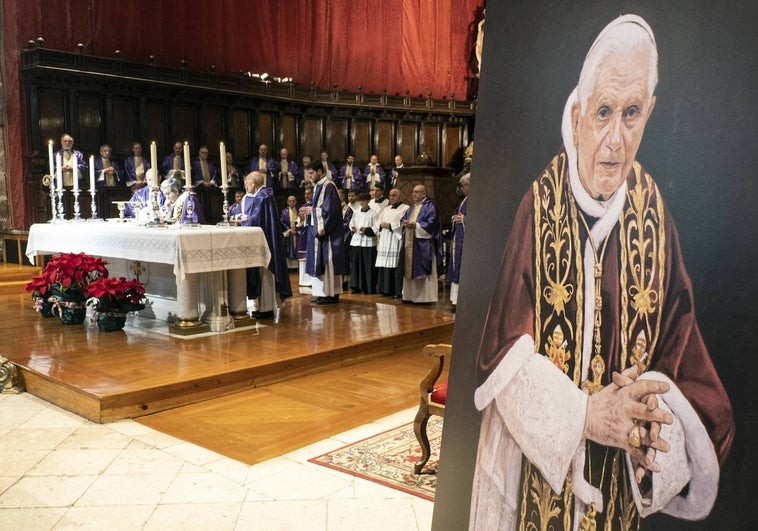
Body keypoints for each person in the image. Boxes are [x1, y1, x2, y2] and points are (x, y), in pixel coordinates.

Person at [468, 15, 734, 531]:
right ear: (576, 114)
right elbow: (500, 356)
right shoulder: (539, 205)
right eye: (604, 112)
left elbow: (688, 369)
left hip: (616, 497)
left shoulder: (654, 214)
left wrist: (653, 428)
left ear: (650, 113)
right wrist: (585, 416)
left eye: (631, 113)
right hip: (537, 492)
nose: (615, 138)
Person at [239, 171, 292, 319]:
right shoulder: (261, 195)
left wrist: (244, 220)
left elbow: (256, 219)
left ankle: (266, 308)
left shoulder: (263, 197)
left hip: (266, 242)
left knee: (266, 273)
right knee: (261, 274)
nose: (246, 187)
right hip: (264, 240)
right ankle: (262, 307)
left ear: (253, 183)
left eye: (247, 184)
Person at [302, 161, 347, 304]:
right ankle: (322, 293)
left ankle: (331, 294)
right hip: (321, 233)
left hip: (329, 235)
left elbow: (331, 211)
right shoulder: (318, 187)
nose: (309, 176)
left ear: (320, 172)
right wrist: (308, 212)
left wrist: (312, 211)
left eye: (311, 173)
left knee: (328, 263)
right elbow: (318, 207)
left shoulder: (329, 186)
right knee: (320, 263)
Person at [399, 184, 442, 303]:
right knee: (409, 270)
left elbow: (432, 224)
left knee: (422, 269)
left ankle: (425, 298)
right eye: (413, 192)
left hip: (423, 245)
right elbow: (404, 218)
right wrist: (404, 222)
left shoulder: (430, 207)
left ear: (424, 194)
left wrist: (416, 225)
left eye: (417, 192)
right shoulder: (412, 207)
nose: (414, 194)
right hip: (410, 243)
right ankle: (409, 296)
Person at [375, 187, 409, 298]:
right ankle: (385, 290)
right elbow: (378, 221)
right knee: (384, 265)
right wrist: (380, 224)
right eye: (390, 195)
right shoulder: (386, 209)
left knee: (395, 265)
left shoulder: (405, 208)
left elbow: (404, 223)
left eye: (394, 195)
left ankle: (397, 291)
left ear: (400, 196)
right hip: (385, 240)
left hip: (395, 240)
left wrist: (390, 226)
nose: (391, 198)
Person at [348, 192, 378, 294]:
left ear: (368, 201)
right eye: (360, 201)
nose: (362, 203)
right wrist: (352, 227)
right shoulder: (356, 212)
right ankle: (355, 286)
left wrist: (366, 230)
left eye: (364, 201)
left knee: (367, 266)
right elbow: (351, 223)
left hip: (368, 243)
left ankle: (366, 287)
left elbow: (376, 228)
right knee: (356, 266)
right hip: (356, 242)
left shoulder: (373, 213)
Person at [448, 173, 469, 311]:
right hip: (459, 239)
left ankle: (463, 301)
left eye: (462, 186)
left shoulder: (477, 199)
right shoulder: (465, 199)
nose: (461, 189)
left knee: (464, 268)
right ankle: (456, 301)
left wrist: (465, 220)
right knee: (457, 268)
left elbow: (483, 219)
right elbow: (457, 214)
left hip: (467, 242)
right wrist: (455, 218)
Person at [296, 185, 314, 286]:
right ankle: (303, 280)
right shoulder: (302, 206)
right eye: (305, 194)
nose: (306, 195)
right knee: (303, 258)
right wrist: (301, 220)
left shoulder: (314, 206)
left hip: (311, 233)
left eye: (309, 193)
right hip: (304, 235)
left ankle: (311, 280)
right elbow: (298, 223)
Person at [280, 195, 300, 269]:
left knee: (297, 249)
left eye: (293, 201)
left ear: (296, 202)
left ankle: (297, 267)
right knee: (289, 249)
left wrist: (297, 230)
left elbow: (302, 222)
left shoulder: (299, 211)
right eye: (290, 201)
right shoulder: (284, 212)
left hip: (297, 234)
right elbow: (282, 222)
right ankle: (289, 267)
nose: (292, 202)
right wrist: (289, 230)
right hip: (289, 234)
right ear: (287, 202)